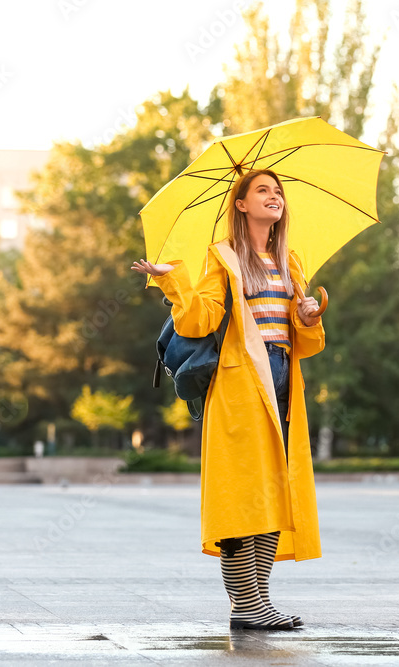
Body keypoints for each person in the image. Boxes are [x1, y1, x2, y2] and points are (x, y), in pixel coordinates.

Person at [131, 169, 325, 631]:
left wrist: (307, 317)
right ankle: (246, 605)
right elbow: (198, 322)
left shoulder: (289, 263)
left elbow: (307, 344)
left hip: (282, 387)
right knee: (240, 498)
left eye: (277, 192)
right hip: (239, 390)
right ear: (241, 205)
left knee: (273, 495)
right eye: (262, 191)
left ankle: (259, 603)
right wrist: (172, 281)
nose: (273, 197)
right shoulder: (224, 258)